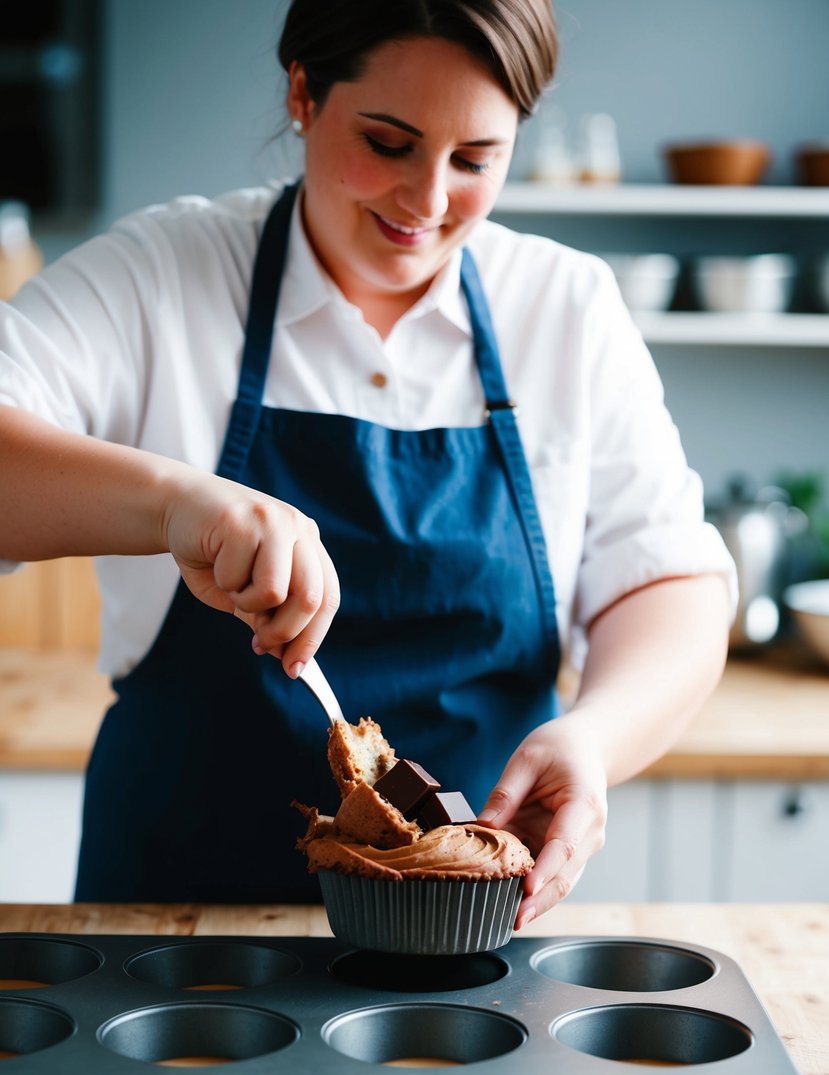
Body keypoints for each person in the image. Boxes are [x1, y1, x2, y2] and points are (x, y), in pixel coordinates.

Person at [0, 0, 734, 922]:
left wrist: (596, 736)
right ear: (304, 95)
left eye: (475, 160)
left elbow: (667, 581)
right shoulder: (166, 275)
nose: (427, 203)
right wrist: (172, 502)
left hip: (477, 940)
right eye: (388, 143)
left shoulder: (564, 308)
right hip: (178, 933)